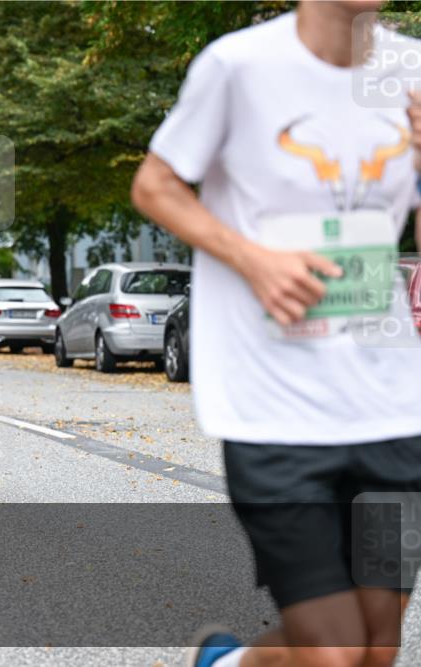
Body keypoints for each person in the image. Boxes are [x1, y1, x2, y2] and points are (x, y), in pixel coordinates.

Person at [130, 3, 421, 666]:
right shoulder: (240, 67)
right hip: (275, 410)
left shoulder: (413, 70)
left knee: (376, 647)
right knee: (336, 650)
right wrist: (253, 258)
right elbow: (156, 185)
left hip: (394, 410)